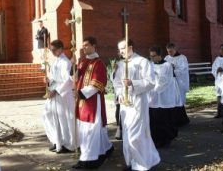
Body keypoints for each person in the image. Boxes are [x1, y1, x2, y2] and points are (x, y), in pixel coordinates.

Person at [113, 39, 160, 171]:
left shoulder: (142, 62)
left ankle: (142, 164)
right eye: (119, 49)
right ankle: (132, 162)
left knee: (136, 135)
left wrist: (133, 83)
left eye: (123, 48)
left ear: (130, 47)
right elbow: (116, 83)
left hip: (138, 103)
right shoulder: (120, 64)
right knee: (127, 136)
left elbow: (151, 82)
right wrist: (120, 94)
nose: (120, 51)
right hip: (125, 106)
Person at [72, 36, 113, 169]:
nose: (84, 48)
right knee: (86, 130)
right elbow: (75, 77)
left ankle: (89, 160)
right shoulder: (82, 61)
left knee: (90, 130)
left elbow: (98, 84)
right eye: (83, 46)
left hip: (92, 101)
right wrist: (72, 68)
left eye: (86, 45)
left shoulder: (98, 63)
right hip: (82, 102)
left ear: (94, 46)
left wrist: (81, 93)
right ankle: (104, 149)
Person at [42, 40, 75, 154]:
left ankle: (67, 144)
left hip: (62, 95)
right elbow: (54, 78)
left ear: (61, 48)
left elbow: (67, 81)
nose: (52, 52)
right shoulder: (55, 61)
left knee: (63, 120)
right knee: (49, 116)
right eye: (51, 50)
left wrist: (55, 90)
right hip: (54, 94)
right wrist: (48, 80)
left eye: (54, 50)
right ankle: (57, 141)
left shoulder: (66, 62)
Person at [147, 46, 178, 148]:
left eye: (154, 56)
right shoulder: (150, 65)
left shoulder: (167, 65)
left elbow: (165, 81)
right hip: (153, 98)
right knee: (154, 120)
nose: (152, 58)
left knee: (164, 120)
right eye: (150, 56)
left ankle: (165, 140)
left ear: (160, 55)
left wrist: (154, 89)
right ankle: (155, 140)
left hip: (164, 96)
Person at [165, 43, 190, 126]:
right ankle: (172, 120)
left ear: (175, 49)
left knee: (179, 100)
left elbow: (183, 69)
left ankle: (181, 120)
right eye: (168, 51)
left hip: (179, 82)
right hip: (170, 83)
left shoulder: (182, 58)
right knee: (171, 100)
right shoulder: (167, 58)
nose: (169, 53)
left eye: (171, 51)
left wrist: (173, 68)